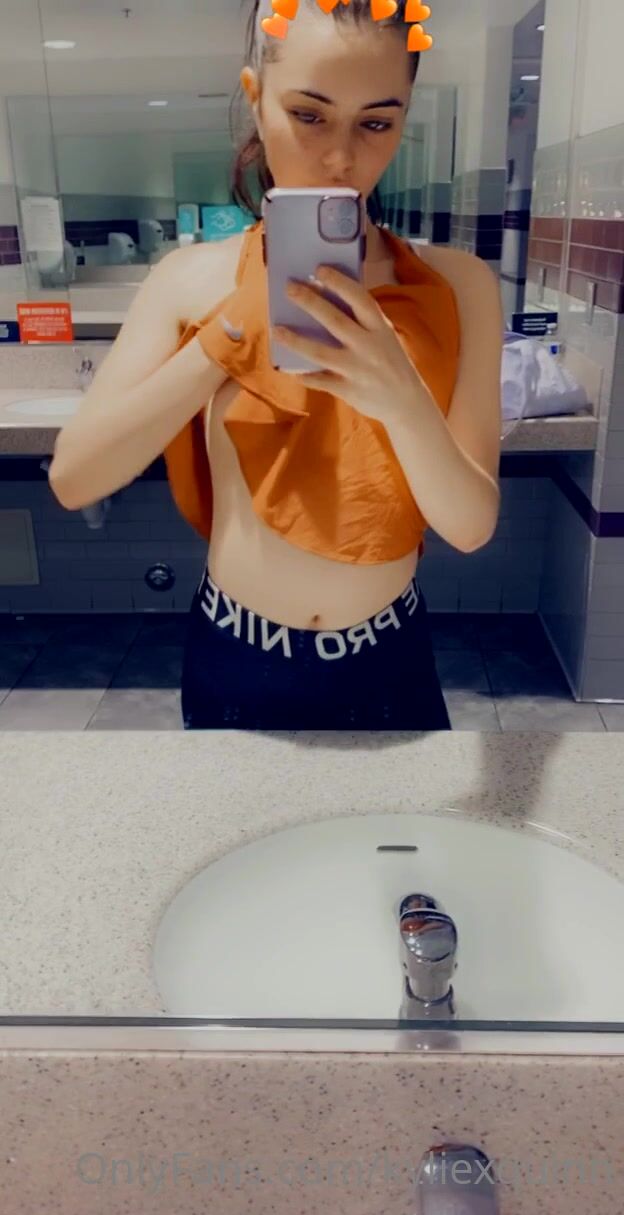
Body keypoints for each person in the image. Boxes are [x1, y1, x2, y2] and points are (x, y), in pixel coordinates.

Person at [49, 0, 503, 732]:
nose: (340, 159)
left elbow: (471, 527)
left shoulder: (459, 287)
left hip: (389, 656)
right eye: (309, 114)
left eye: (375, 123)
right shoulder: (188, 279)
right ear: (257, 101)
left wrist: (401, 396)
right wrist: (227, 337)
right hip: (236, 654)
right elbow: (75, 480)